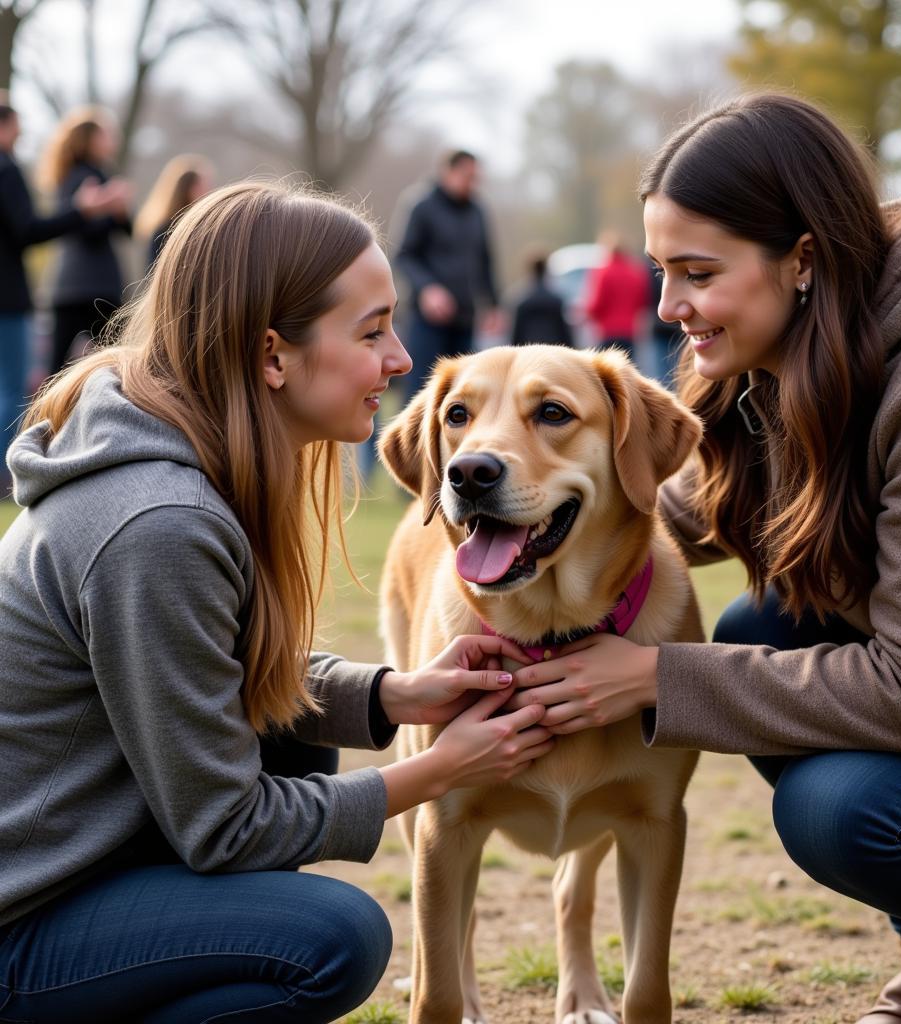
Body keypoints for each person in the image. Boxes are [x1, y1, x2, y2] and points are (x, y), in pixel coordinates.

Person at [508, 93, 901, 1023]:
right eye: (664, 271)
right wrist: (516, 524)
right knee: (758, 624)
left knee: (843, 810)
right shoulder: (772, 360)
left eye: (697, 272)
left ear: (802, 259)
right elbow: (670, 512)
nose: (670, 307)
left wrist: (659, 676)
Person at [0, 181, 554, 1022]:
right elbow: (225, 827)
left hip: (81, 867)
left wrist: (389, 695)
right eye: (372, 333)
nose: (401, 360)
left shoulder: (180, 468)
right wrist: (437, 768)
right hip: (23, 919)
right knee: (331, 939)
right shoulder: (158, 522)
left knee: (295, 739)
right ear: (271, 355)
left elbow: (210, 668)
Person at [0, 92, 125, 493]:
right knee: (24, 386)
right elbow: (32, 231)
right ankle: (16, 471)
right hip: (46, 293)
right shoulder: (12, 169)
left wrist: (111, 211)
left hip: (55, 291)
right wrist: (90, 210)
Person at [394, 148, 501, 400]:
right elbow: (404, 256)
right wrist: (428, 288)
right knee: (422, 389)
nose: (471, 184)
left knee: (461, 391)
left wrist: (494, 304)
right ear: (447, 172)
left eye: (475, 178)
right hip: (428, 320)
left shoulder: (477, 211)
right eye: (466, 176)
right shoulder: (422, 206)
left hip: (465, 317)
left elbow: (486, 260)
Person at [36, 106, 133, 376]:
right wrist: (109, 208)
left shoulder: (102, 174)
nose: (112, 140)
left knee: (97, 364)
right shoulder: (78, 176)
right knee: (114, 364)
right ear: (89, 139)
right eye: (105, 135)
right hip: (85, 287)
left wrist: (119, 210)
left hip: (84, 287)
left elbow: (128, 229)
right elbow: (85, 230)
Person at [134, 153, 213, 270]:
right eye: (202, 185)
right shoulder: (163, 231)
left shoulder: (207, 224)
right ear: (186, 189)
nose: (209, 190)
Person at [582, 230, 651, 355]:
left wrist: (587, 313)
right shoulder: (635, 272)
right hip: (629, 330)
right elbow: (642, 301)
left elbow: (597, 304)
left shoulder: (603, 273)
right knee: (627, 369)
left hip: (607, 331)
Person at [508, 246, 573, 347]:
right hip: (553, 350)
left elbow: (516, 335)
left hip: (529, 351)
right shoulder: (556, 301)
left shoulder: (521, 302)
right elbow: (564, 333)